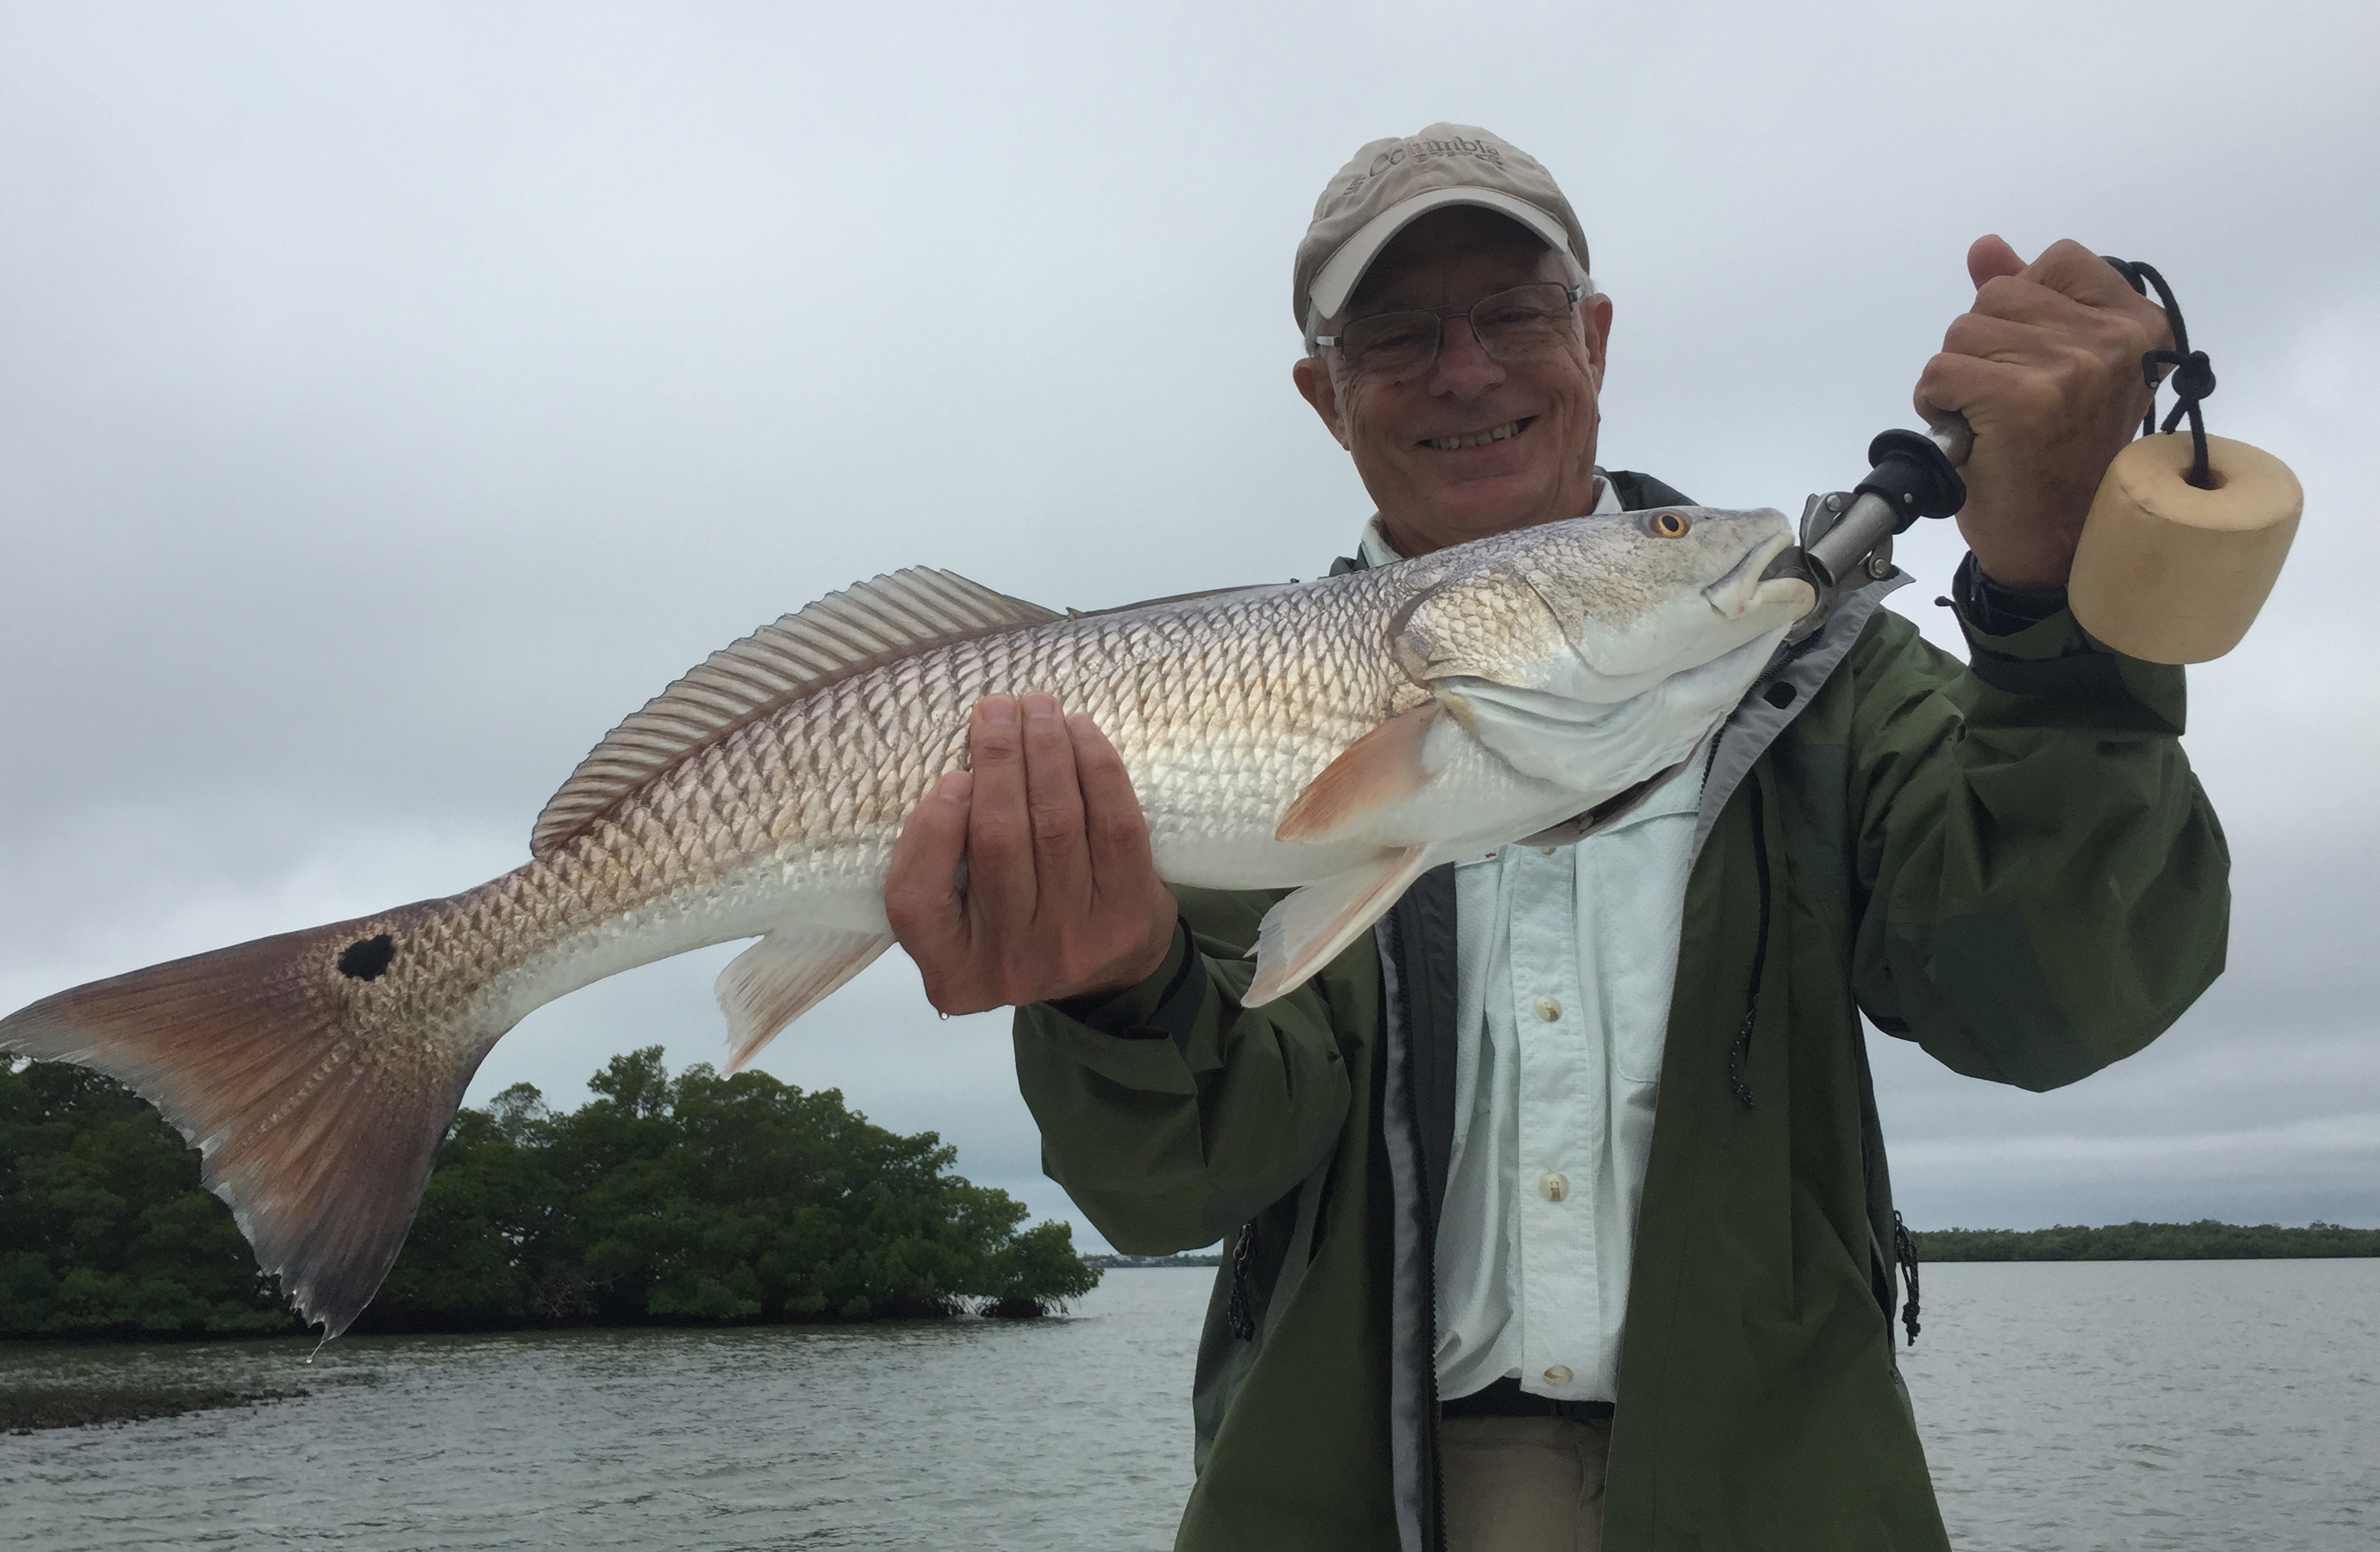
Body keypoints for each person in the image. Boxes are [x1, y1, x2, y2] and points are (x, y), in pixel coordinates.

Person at [882, 124, 2228, 1552]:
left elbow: (2062, 1001)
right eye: (1394, 335)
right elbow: (1174, 1190)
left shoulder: (1831, 681)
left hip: (1772, 1497)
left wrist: (2052, 609)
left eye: (1517, 312)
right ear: (1323, 398)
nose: (1466, 370)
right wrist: (1113, 992)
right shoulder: (1218, 739)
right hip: (1334, 1500)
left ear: (1592, 336)